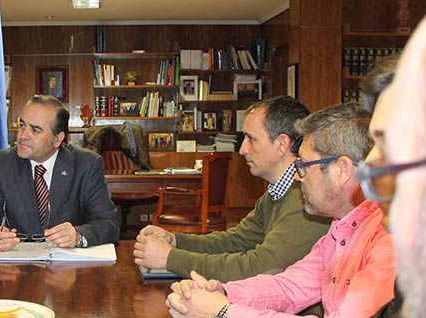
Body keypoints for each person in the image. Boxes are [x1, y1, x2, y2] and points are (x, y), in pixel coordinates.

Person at [163, 8, 426, 318]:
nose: (372, 166)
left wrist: (224, 314)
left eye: (390, 144)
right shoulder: (414, 264)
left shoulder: (394, 246)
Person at [166, 102, 396, 318]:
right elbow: (288, 286)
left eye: (304, 166)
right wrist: (223, 293)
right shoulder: (340, 228)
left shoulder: (387, 238)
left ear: (342, 171)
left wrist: (225, 314)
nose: (297, 176)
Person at [135, 96, 331, 282]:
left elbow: (259, 268)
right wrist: (175, 240)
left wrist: (171, 258)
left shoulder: (307, 198)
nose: (242, 150)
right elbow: (235, 241)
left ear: (282, 144)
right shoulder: (278, 191)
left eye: (251, 139)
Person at [0, 95, 119, 250]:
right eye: (22, 125)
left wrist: (78, 235)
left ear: (57, 139)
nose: (22, 136)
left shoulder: (87, 164)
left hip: (70, 267)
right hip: (19, 264)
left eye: (35, 130)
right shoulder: (1, 162)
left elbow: (108, 224)